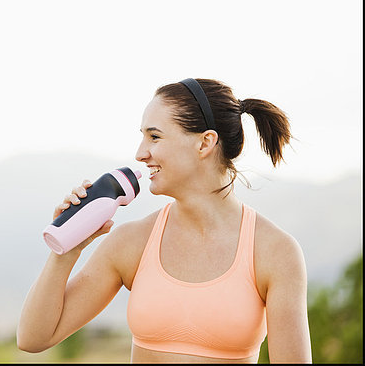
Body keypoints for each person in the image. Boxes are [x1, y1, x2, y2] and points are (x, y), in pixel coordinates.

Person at [16, 78, 312, 363]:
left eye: (154, 137)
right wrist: (67, 249)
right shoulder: (132, 242)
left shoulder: (275, 252)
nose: (140, 153)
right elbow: (34, 338)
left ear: (204, 143)